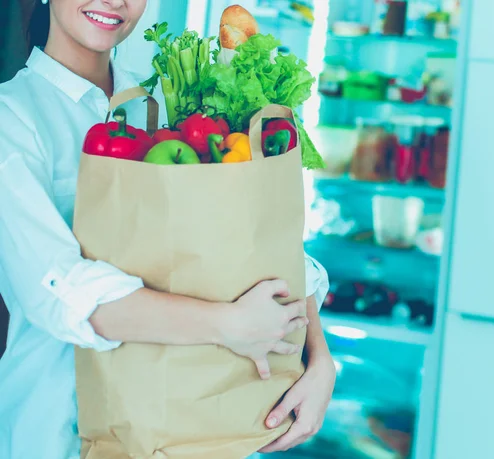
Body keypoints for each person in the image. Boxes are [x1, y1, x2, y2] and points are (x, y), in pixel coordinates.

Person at [0, 1, 336, 458]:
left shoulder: (175, 100)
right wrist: (228, 325)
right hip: (61, 429)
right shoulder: (13, 119)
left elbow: (262, 239)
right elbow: (60, 293)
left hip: (197, 420)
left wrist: (319, 359)